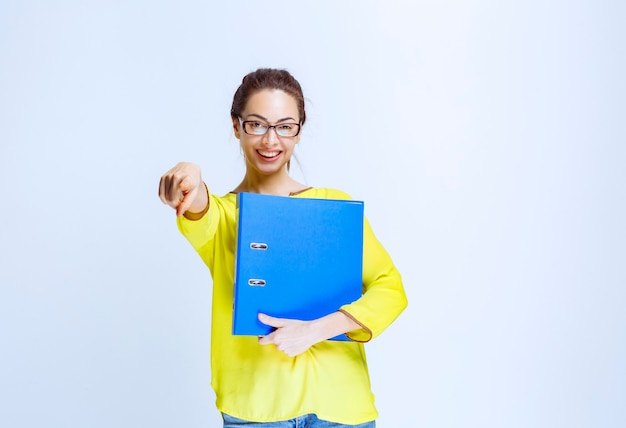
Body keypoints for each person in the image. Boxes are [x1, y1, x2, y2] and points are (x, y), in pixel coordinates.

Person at [158, 68, 407, 427]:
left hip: (340, 408)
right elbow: (198, 205)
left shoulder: (334, 208)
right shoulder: (225, 215)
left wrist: (315, 329)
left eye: (285, 126)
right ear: (236, 126)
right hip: (257, 411)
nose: (270, 140)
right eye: (257, 124)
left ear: (299, 131)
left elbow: (390, 288)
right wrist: (190, 175)